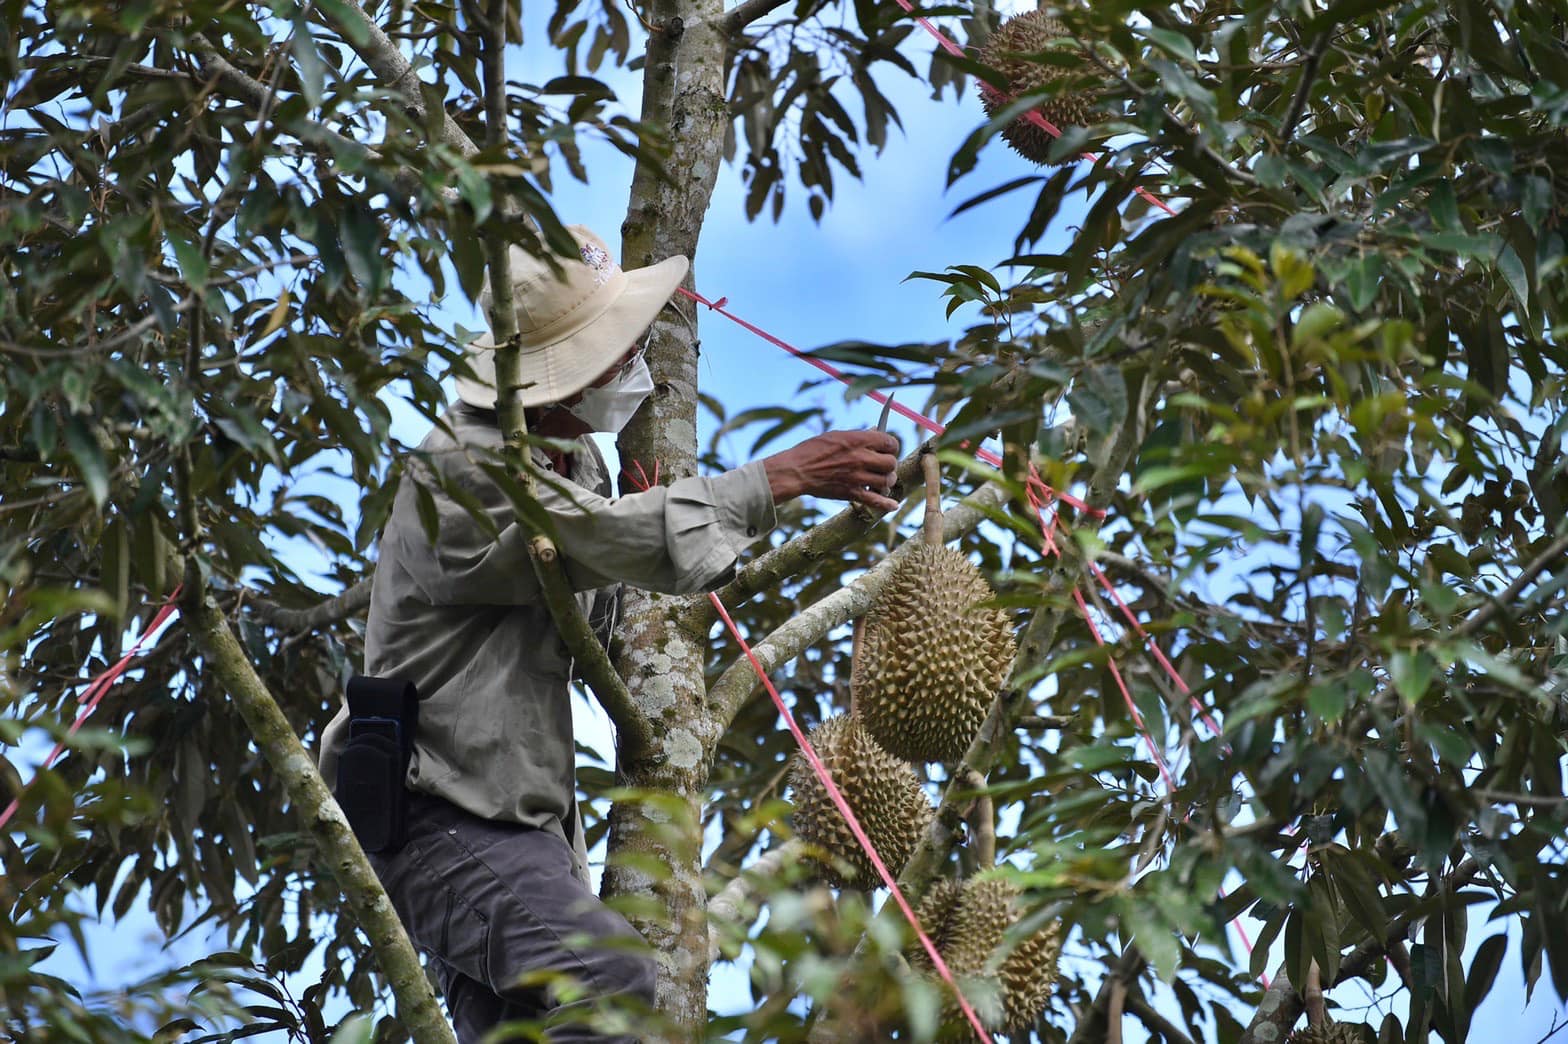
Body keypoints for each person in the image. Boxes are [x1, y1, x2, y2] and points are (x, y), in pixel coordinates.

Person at [317, 225, 901, 1042]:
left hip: (519, 831)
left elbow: (585, 583)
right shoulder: (459, 466)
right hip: (440, 817)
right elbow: (580, 541)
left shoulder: (575, 466)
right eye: (612, 349)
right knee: (612, 977)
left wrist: (636, 519)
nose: (630, 367)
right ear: (552, 372)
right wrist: (783, 477)